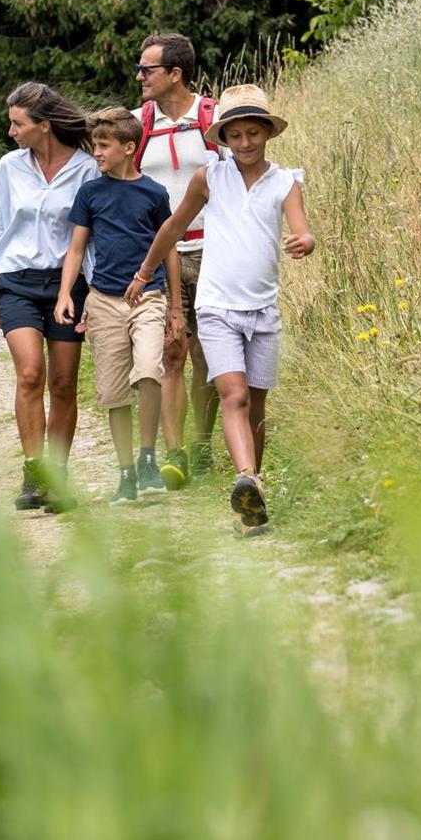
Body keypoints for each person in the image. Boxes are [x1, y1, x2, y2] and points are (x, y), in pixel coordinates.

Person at [126, 85, 315, 536]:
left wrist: (304, 242)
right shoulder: (210, 178)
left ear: (267, 133)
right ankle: (244, 478)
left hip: (263, 309)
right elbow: (173, 225)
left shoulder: (284, 181)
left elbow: (301, 229)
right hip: (216, 307)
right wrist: (144, 271)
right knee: (235, 395)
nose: (246, 143)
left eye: (254, 133)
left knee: (257, 408)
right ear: (223, 139)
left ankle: (253, 494)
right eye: (236, 135)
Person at [0, 81, 99, 512]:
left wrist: (92, 293)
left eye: (18, 123)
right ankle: (34, 470)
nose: (11, 131)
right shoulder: (9, 166)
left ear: (44, 125)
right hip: (17, 280)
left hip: (67, 285)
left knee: (64, 382)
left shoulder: (87, 169)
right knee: (30, 373)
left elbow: (90, 237)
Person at [53, 109, 179, 505]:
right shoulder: (91, 193)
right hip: (103, 301)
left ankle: (147, 458)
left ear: (129, 148)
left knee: (148, 370)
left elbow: (169, 249)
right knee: (112, 392)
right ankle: (127, 473)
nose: (97, 154)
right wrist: (64, 294)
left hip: (148, 297)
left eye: (104, 146)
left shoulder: (155, 193)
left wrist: (175, 305)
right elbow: (76, 249)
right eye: (95, 147)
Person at [132, 32, 219, 489]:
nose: (139, 76)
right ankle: (176, 452)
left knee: (207, 352)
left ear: (175, 74)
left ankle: (203, 444)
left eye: (147, 69)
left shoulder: (215, 118)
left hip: (211, 251)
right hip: (160, 255)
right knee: (171, 352)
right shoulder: (136, 123)